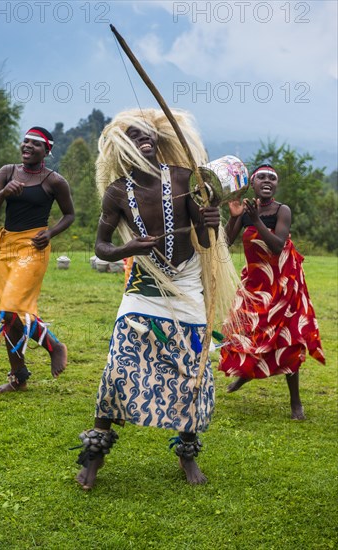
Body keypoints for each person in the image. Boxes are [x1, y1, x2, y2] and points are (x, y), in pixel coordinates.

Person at [75, 108, 240, 489]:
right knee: (119, 367)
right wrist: (126, 247)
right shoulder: (117, 192)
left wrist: (210, 219)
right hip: (143, 290)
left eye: (148, 133)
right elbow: (101, 247)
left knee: (192, 375)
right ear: (122, 147)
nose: (144, 137)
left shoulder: (184, 178)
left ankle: (187, 455)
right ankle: (93, 458)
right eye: (134, 135)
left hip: (187, 285)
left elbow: (203, 230)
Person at [218, 164, 325, 419]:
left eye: (272, 178)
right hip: (254, 285)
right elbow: (225, 243)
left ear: (276, 185)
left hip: (282, 284)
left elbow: (277, 246)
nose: (267, 181)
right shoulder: (246, 210)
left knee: (286, 339)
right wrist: (235, 216)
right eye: (262, 177)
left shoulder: (281, 210)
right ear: (252, 184)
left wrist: (254, 220)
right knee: (244, 331)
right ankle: (246, 373)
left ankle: (296, 402)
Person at [0, 126, 75, 393]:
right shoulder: (7, 172)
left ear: (47, 150)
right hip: (7, 246)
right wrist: (4, 193)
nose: (27, 146)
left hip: (34, 246)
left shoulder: (54, 181)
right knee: (9, 314)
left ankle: (54, 345)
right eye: (25, 142)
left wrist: (51, 232)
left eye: (35, 144)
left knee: (12, 305)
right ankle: (18, 377)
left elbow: (69, 215)